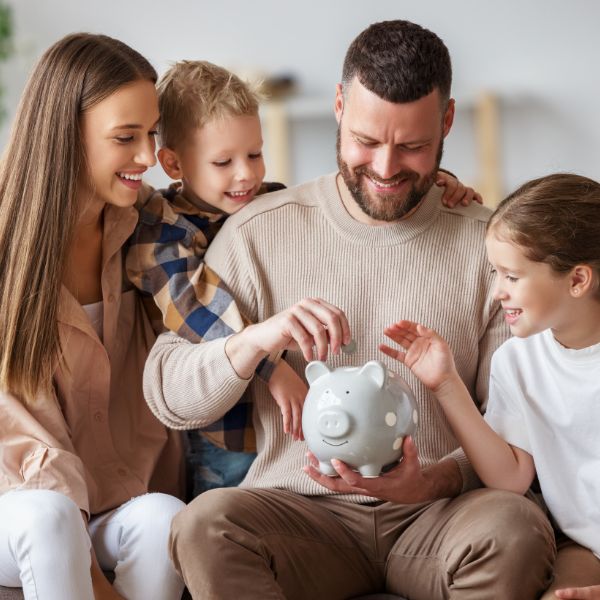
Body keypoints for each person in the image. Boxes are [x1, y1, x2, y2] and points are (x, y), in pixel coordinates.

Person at [144, 20, 555, 599]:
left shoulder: (489, 246)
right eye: (366, 141)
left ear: (447, 122)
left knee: (516, 528)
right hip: (299, 515)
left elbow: (519, 427)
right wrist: (255, 341)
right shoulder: (255, 231)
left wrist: (434, 479)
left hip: (441, 515)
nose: (386, 169)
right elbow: (168, 395)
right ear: (339, 106)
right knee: (204, 525)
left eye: (412, 146)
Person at [127, 59, 478, 497]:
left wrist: (437, 183)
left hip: (281, 431)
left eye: (254, 154)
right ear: (173, 163)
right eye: (223, 162)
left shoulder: (266, 204)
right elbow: (200, 315)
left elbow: (352, 190)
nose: (247, 174)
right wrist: (273, 369)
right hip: (226, 429)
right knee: (227, 506)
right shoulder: (162, 235)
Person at [0, 34, 185, 600]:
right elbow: (18, 441)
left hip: (115, 499)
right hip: (20, 506)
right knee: (51, 518)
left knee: (164, 519)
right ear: (65, 136)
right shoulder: (7, 246)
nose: (147, 157)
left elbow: (239, 203)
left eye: (152, 134)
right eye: (125, 138)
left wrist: (437, 190)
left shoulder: (147, 225)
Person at [380, 173, 600, 600]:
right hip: (587, 547)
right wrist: (446, 384)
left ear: (577, 281)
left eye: (512, 277)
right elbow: (511, 477)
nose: (497, 291)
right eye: (494, 273)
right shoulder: (517, 360)